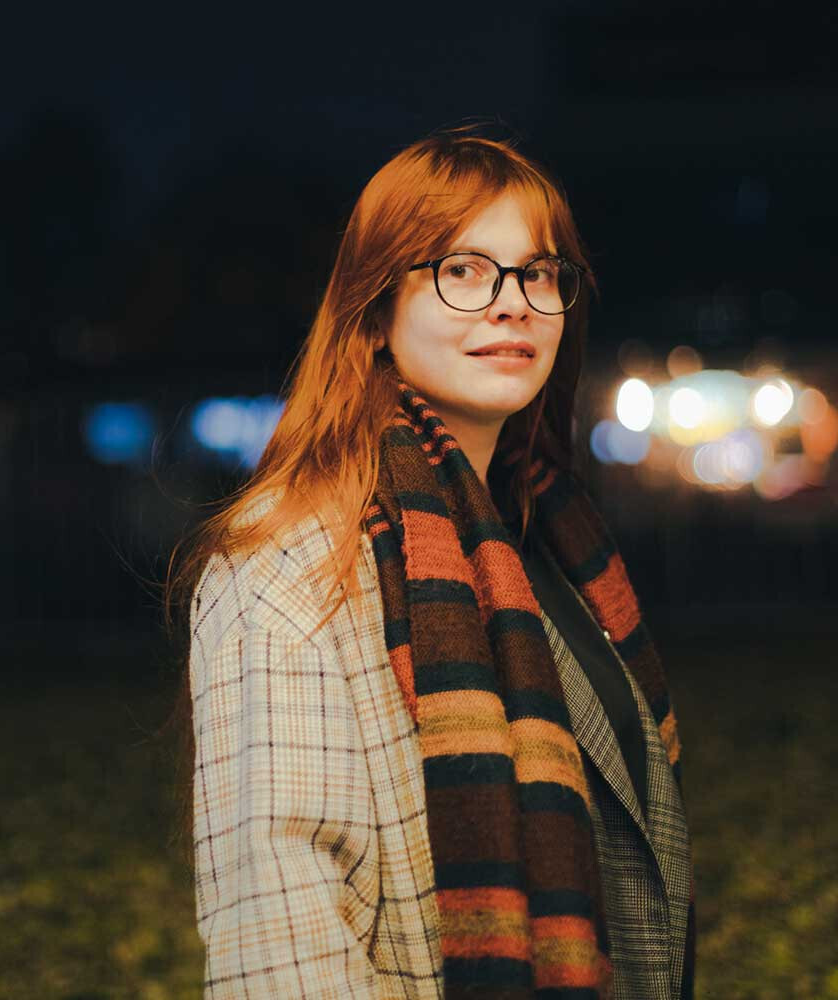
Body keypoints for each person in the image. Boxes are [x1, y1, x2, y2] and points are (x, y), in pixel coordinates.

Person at [171, 129, 696, 1000]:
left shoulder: (551, 541)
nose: (513, 303)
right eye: (463, 269)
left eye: (538, 272)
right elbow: (284, 941)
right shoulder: (291, 559)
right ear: (375, 311)